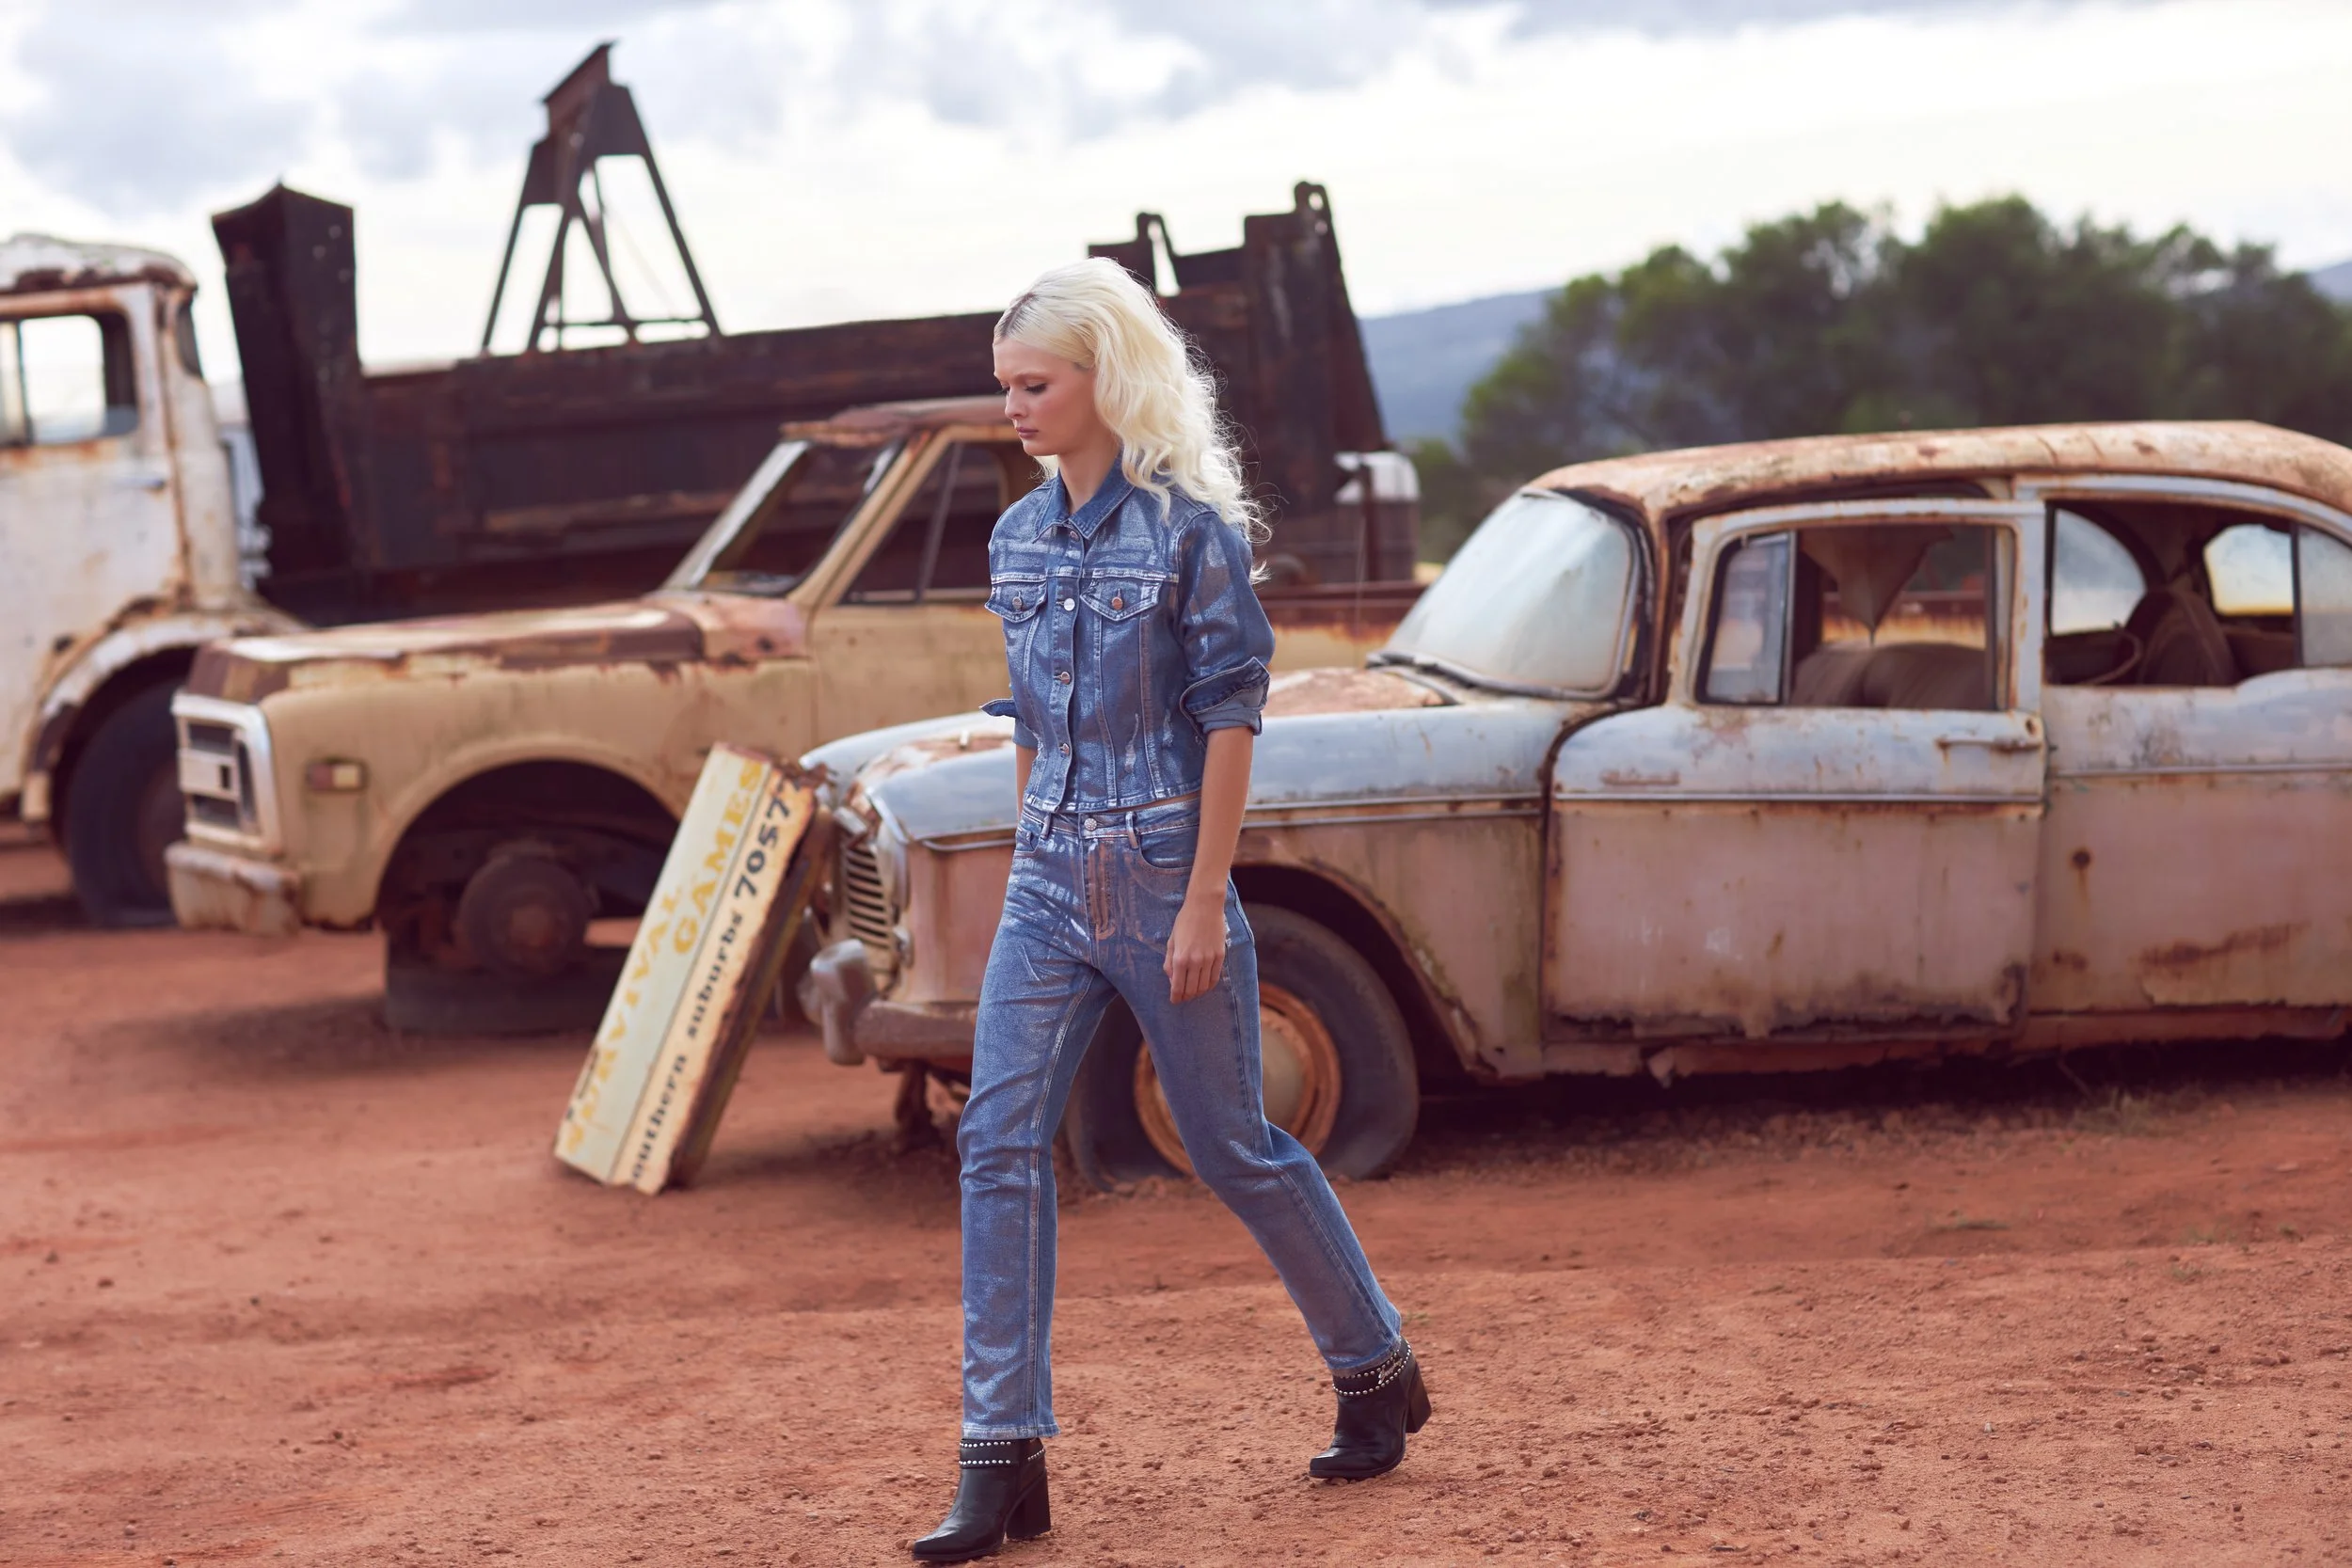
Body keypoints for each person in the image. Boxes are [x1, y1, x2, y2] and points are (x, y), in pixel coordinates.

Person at [912, 259, 1428, 1563]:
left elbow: (1233, 716)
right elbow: (1032, 720)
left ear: (1105, 378)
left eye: (1035, 384)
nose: (1015, 408)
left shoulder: (1188, 530)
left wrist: (1205, 897)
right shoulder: (1017, 537)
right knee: (997, 1140)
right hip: (1050, 875)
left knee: (1232, 1141)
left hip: (1161, 876)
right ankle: (1001, 1453)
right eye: (1006, 389)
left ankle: (1373, 1365)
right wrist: (1029, 857)